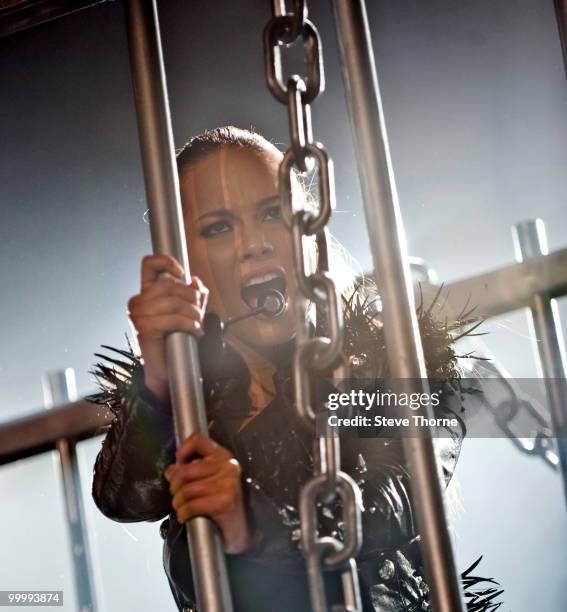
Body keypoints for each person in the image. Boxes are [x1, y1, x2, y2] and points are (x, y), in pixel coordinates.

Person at [89, 126, 502, 611]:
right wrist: (159, 379)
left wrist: (255, 522)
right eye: (218, 228)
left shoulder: (396, 355)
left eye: (271, 214)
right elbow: (123, 498)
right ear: (185, 264)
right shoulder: (188, 403)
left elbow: (403, 495)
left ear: (307, 225)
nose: (254, 245)